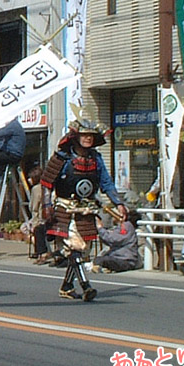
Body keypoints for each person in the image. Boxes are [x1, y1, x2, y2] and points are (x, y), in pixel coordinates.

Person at [41, 114, 127, 301]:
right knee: (75, 248)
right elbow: (46, 183)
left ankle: (66, 286)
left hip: (87, 209)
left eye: (91, 135)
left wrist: (118, 203)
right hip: (65, 209)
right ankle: (86, 286)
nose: (88, 138)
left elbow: (106, 182)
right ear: (76, 136)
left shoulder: (96, 159)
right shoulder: (62, 158)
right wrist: (46, 206)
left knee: (81, 251)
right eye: (84, 134)